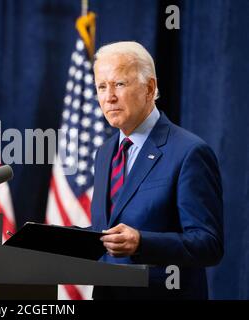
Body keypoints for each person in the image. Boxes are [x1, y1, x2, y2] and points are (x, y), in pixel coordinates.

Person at [90, 41, 223, 299]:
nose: (109, 97)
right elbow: (106, 232)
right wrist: (49, 239)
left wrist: (142, 242)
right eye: (101, 87)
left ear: (149, 88)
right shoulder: (105, 152)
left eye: (119, 84)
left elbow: (209, 244)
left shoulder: (189, 152)